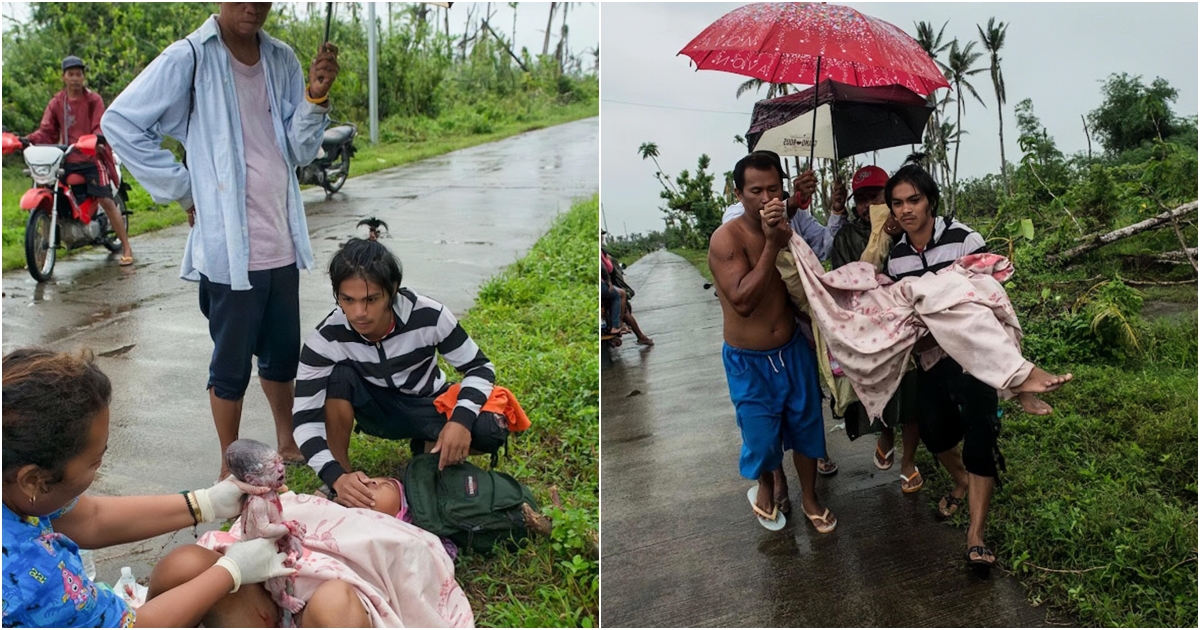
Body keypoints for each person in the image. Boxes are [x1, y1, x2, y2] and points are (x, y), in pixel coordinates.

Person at [101, 3, 342, 479]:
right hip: (229, 248)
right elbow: (121, 123)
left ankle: (286, 439)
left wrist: (315, 98)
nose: (252, 7)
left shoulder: (282, 59)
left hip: (281, 238)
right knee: (230, 363)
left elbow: (298, 149)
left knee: (280, 352)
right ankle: (229, 462)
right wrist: (183, 188)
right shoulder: (189, 57)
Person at [0, 347, 316, 628]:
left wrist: (204, 503)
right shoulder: (30, 572)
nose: (98, 468)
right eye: (95, 462)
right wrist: (231, 572)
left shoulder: (14, 481)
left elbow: (88, 518)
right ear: (33, 480)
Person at [884, 159, 1070, 567]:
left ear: (930, 200)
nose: (905, 210)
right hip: (932, 360)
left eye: (913, 199)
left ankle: (976, 534)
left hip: (975, 361)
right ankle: (962, 482)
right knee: (935, 435)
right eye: (897, 203)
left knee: (981, 438)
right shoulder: (895, 258)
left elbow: (989, 294)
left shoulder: (965, 239)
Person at [292, 238, 511, 509]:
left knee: (490, 429)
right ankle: (343, 484)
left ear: (392, 290)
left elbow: (480, 367)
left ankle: (429, 445)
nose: (359, 312)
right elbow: (304, 418)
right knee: (338, 377)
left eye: (371, 299)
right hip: (374, 409)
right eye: (348, 300)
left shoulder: (429, 315)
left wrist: (461, 421)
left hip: (427, 402)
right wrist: (334, 475)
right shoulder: (326, 338)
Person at [708, 151, 835, 533]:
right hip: (749, 360)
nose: (766, 199)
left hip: (792, 352)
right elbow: (743, 301)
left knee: (807, 429)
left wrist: (797, 202)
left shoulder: (788, 225)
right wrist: (771, 244)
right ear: (738, 193)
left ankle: (810, 497)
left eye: (774, 190)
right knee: (761, 437)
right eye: (756, 191)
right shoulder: (726, 239)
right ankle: (765, 482)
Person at [827, 165, 927, 493]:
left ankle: (908, 461)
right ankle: (885, 433)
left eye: (877, 196)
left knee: (912, 392)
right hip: (870, 325)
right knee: (878, 387)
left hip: (908, 321)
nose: (870, 205)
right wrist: (879, 238)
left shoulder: (910, 228)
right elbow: (846, 281)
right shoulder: (846, 236)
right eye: (862, 199)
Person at [23, 55, 134, 265]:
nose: (75, 78)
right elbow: (46, 131)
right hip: (66, 158)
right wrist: (27, 140)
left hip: (92, 157)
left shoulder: (93, 100)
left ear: (83, 76)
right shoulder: (57, 102)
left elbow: (99, 125)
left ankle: (127, 247)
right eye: (71, 74)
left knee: (106, 200)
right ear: (63, 77)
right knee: (49, 189)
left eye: (78, 74)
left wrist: (95, 137)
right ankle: (44, 250)